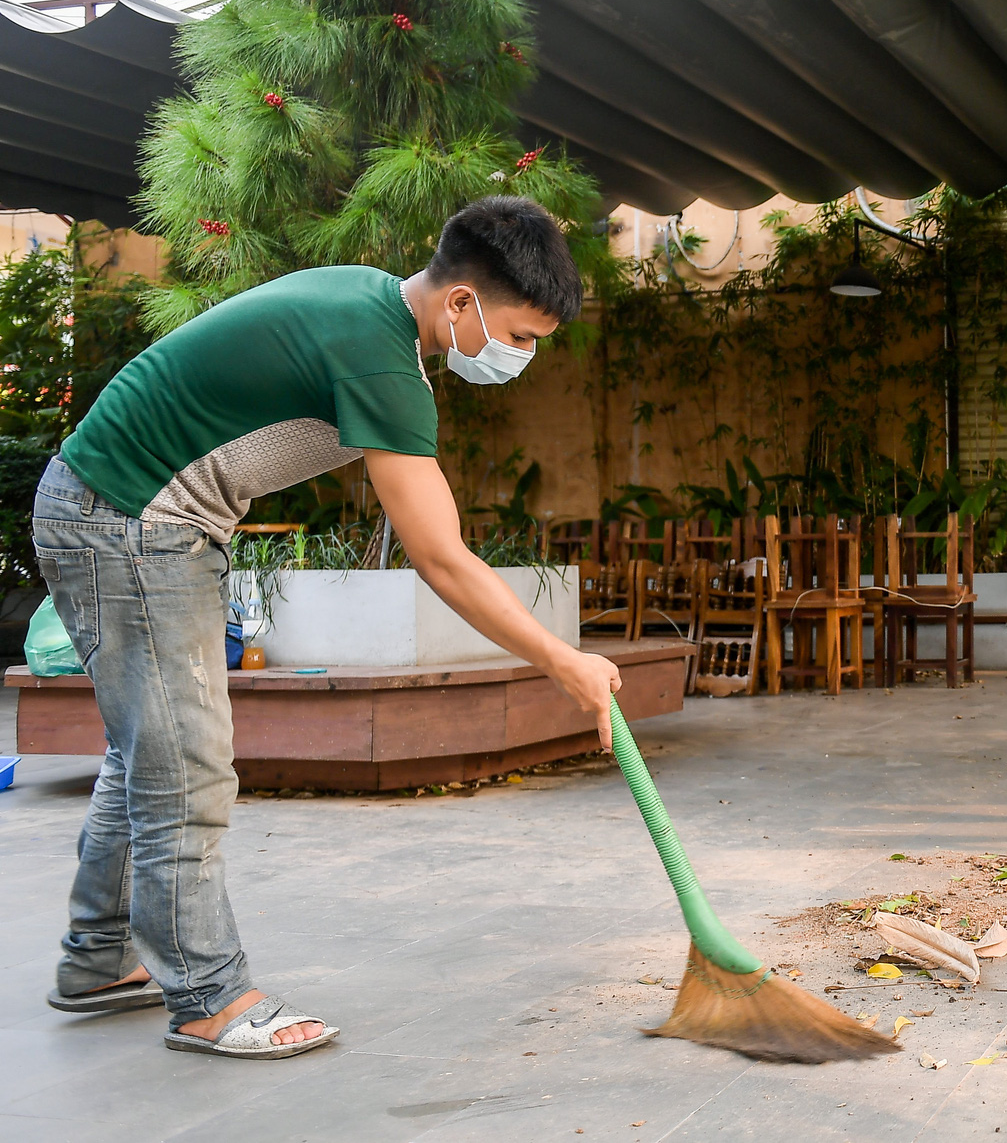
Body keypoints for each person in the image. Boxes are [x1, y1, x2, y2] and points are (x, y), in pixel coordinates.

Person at [33, 196, 622, 1060]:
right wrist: (561, 660)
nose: (522, 356)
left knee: (149, 749)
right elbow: (443, 556)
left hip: (133, 514)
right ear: (461, 302)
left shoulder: (372, 305)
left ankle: (96, 959)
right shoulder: (378, 355)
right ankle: (206, 996)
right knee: (186, 762)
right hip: (128, 520)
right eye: (521, 334)